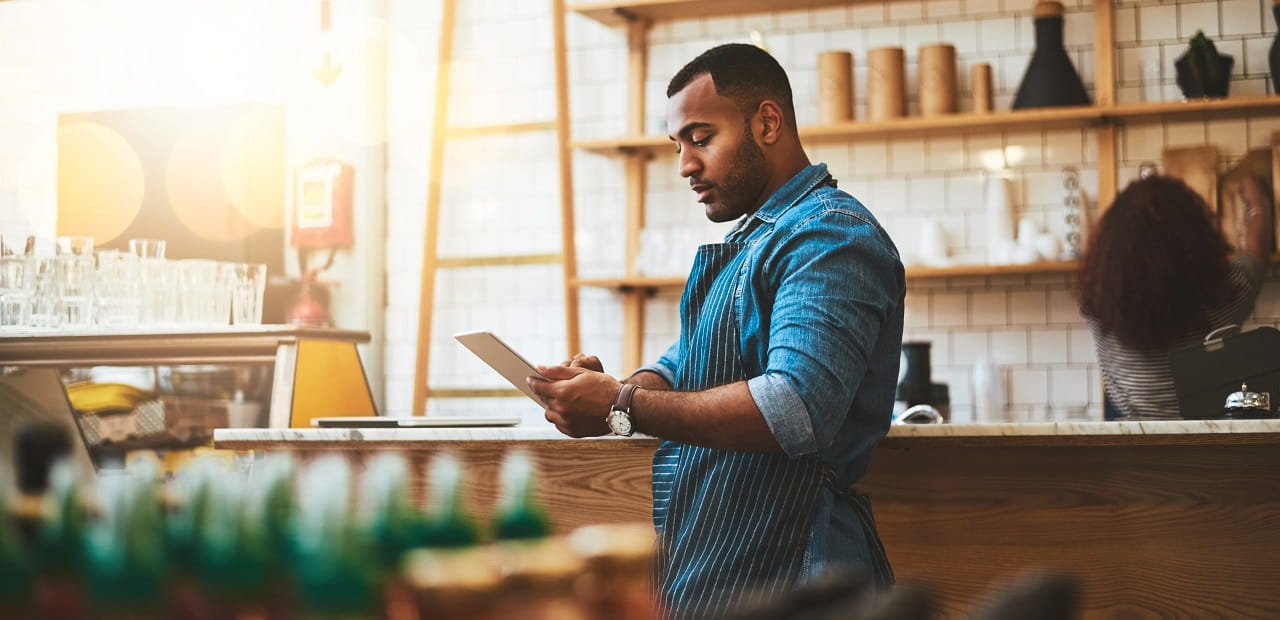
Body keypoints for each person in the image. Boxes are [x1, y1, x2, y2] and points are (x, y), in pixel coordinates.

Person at [526, 43, 905, 618]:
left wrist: (620, 404)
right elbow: (682, 369)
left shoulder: (830, 236)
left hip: (803, 568)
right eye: (678, 145)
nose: (684, 165)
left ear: (767, 122)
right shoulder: (758, 240)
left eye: (701, 138)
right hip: (724, 566)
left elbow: (796, 406)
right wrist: (608, 390)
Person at [1075, 174, 1273, 420]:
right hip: (1205, 449)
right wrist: (1259, 201)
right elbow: (1257, 251)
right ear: (1195, 241)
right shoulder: (1224, 302)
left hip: (1131, 450)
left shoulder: (1101, 310)